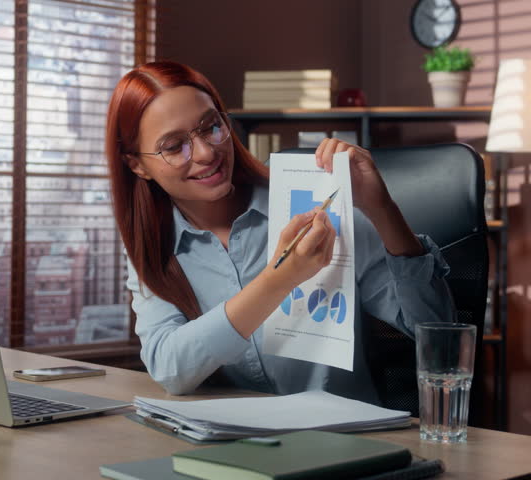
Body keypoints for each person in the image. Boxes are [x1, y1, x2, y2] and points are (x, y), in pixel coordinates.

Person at [105, 61, 454, 402]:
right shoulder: (153, 243)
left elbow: (440, 337)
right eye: (173, 146)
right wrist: (280, 279)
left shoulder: (315, 201)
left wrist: (382, 209)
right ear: (137, 164)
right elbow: (170, 369)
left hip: (340, 440)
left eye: (211, 127)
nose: (206, 152)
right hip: (234, 441)